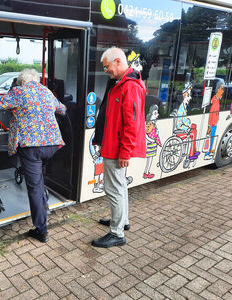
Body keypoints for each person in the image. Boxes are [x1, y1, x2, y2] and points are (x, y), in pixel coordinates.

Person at [0, 68, 66, 243]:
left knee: (34, 187)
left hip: (31, 147)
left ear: (21, 82)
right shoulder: (45, 91)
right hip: (53, 145)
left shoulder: (19, 91)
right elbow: (62, 109)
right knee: (38, 178)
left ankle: (41, 229)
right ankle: (43, 201)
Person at [92, 47, 146, 248]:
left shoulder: (129, 86)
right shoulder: (121, 83)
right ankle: (122, 221)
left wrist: (125, 151)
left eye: (107, 67)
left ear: (117, 61)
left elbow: (132, 123)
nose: (106, 71)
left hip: (117, 149)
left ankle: (116, 233)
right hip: (113, 145)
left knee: (113, 188)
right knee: (120, 186)